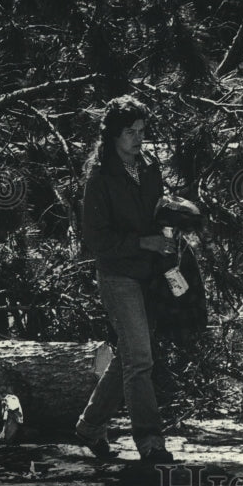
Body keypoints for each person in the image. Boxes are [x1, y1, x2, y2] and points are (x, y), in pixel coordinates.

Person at [75, 96, 176, 464]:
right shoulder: (100, 178)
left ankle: (89, 426)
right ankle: (150, 442)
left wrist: (172, 228)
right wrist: (141, 242)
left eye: (142, 132)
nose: (138, 139)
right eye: (130, 132)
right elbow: (95, 239)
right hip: (117, 276)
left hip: (150, 274)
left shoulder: (149, 167)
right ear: (112, 135)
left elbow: (158, 212)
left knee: (132, 357)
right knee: (141, 359)